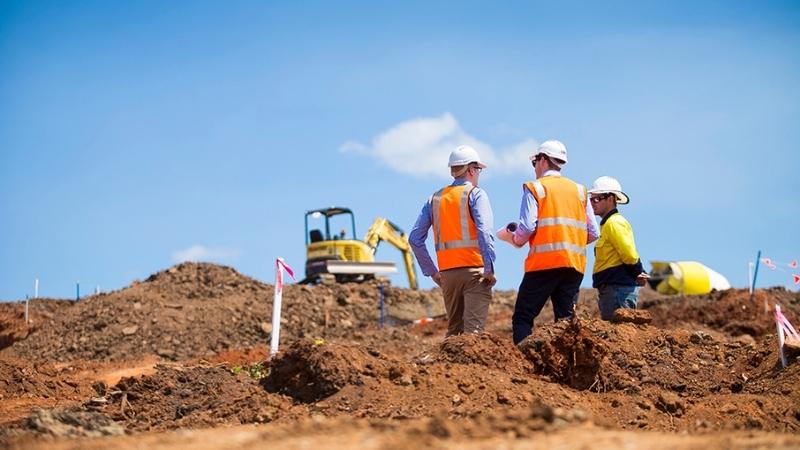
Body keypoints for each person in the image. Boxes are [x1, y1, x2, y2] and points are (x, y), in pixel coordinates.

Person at [506, 140, 599, 344]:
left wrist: (513, 238)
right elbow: (593, 232)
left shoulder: (536, 188)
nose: (534, 168)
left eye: (534, 162)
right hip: (573, 265)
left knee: (523, 317)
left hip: (543, 264)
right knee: (566, 323)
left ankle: (525, 365)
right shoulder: (580, 191)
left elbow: (528, 227)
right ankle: (566, 368)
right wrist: (569, 240)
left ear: (542, 160)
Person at [409, 145, 497, 337]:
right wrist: (489, 269)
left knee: (454, 334)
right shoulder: (476, 194)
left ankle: (448, 368)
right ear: (472, 169)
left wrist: (432, 272)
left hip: (448, 276)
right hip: (475, 272)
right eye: (478, 170)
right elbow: (484, 232)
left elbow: (415, 239)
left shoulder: (435, 199)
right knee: (473, 336)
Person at [588, 176, 648, 320]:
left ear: (611, 199)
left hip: (617, 290)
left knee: (619, 334)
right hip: (612, 290)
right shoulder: (608, 224)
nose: (592, 203)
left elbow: (629, 253)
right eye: (591, 199)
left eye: (596, 199)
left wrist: (637, 272)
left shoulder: (615, 223)